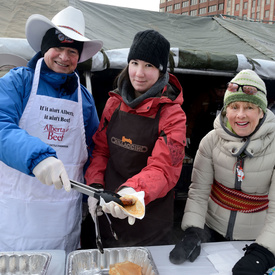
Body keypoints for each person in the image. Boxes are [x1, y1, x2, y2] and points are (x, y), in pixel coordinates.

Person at [0, 6, 102, 254]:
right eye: (58, 48)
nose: (64, 57)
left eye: (72, 51)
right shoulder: (18, 82)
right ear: (45, 49)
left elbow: (96, 148)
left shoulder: (84, 98)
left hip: (62, 217)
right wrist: (38, 157)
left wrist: (95, 187)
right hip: (17, 215)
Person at [84, 29, 186, 248]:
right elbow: (101, 151)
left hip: (149, 219)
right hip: (109, 210)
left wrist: (132, 193)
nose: (139, 73)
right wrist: (94, 186)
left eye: (149, 65)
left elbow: (164, 169)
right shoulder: (114, 104)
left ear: (161, 71)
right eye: (135, 63)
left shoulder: (173, 114)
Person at [169, 69, 275, 274]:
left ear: (261, 111)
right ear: (226, 110)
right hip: (212, 232)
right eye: (234, 106)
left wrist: (264, 251)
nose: (241, 114)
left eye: (249, 107)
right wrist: (194, 230)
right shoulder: (210, 141)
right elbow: (199, 191)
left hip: (256, 238)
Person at [186, 81, 226, 158]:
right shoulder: (204, 99)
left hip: (219, 136)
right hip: (201, 134)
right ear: (214, 89)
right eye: (219, 90)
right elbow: (191, 117)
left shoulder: (227, 101)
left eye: (224, 90)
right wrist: (187, 134)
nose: (222, 93)